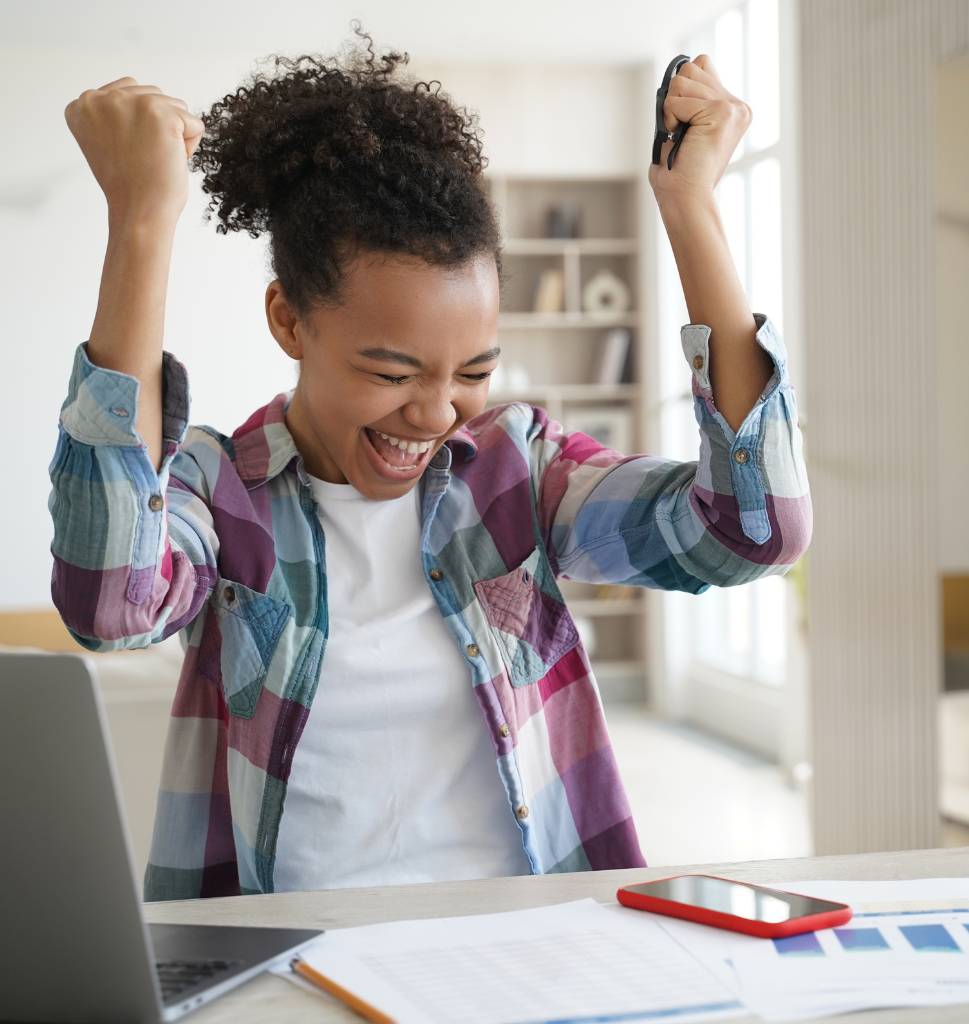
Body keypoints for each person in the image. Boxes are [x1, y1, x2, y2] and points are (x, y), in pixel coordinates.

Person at [50, 25, 811, 902]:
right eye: (391, 371)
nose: (435, 410)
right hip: (287, 955)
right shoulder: (220, 493)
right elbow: (110, 606)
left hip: (524, 943)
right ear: (290, 321)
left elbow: (751, 532)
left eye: (474, 372)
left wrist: (692, 207)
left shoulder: (517, 470)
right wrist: (142, 220)